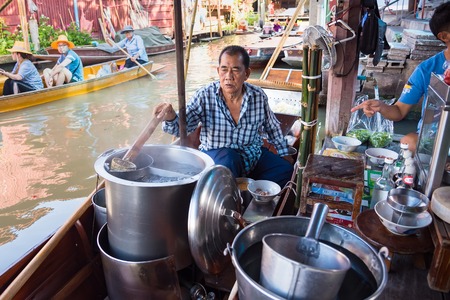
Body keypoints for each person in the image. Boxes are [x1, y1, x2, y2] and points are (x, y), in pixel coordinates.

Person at [153, 45, 294, 187]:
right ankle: (233, 195)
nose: (229, 76)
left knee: (285, 170)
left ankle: (247, 188)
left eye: (236, 70)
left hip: (252, 156)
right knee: (230, 159)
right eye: (224, 69)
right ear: (218, 71)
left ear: (247, 73)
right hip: (218, 157)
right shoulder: (205, 95)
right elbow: (181, 129)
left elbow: (272, 127)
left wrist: (284, 153)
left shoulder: (258, 96)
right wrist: (171, 117)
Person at [351, 1, 450, 153]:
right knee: (410, 142)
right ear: (444, 36)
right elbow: (399, 111)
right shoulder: (426, 70)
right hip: (433, 143)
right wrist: (381, 107)